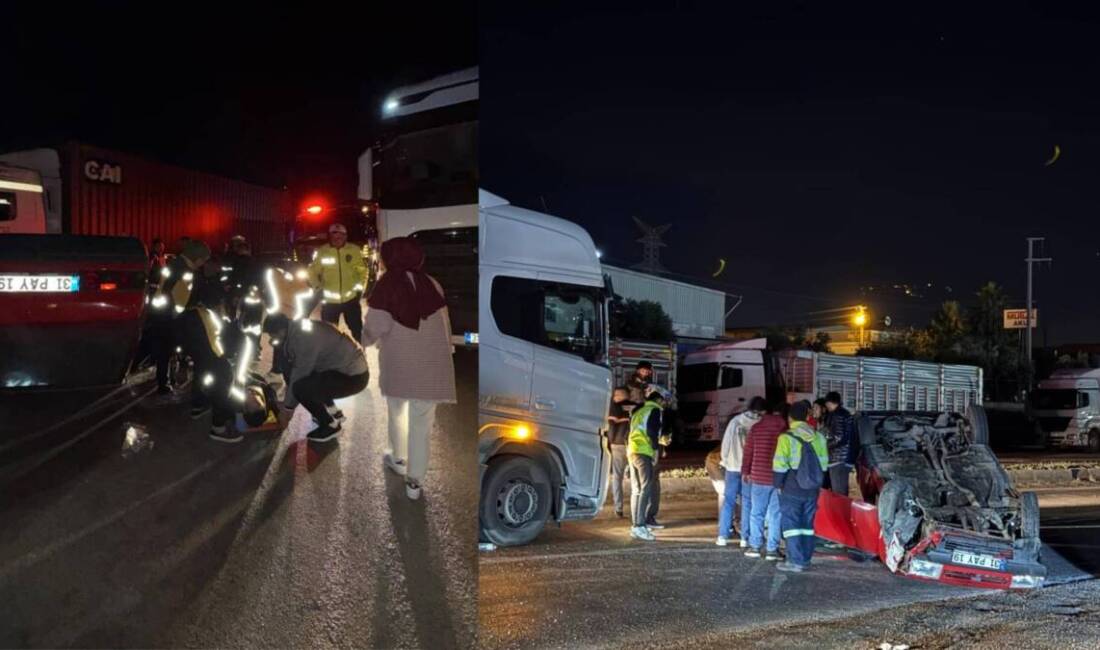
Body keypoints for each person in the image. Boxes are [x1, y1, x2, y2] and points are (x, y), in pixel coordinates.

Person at [362, 236, 456, 501]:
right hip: (431, 364)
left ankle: (398, 457)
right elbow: (445, 322)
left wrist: (363, 341)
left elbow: (375, 326)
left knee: (397, 410)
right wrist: (447, 351)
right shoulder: (432, 283)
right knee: (422, 424)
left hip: (399, 364)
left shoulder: (386, 285)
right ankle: (414, 482)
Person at [264, 315, 370, 443]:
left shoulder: (304, 339)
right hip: (344, 370)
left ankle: (330, 426)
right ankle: (332, 411)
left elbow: (299, 374)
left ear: (281, 330)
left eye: (273, 335)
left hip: (353, 377)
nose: (272, 339)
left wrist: (287, 409)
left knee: (300, 388)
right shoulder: (297, 329)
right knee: (308, 379)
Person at [149, 239, 212, 397]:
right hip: (170, 318)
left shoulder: (175, 265)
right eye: (203, 261)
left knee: (165, 351)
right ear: (197, 259)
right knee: (169, 350)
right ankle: (165, 384)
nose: (203, 264)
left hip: (164, 314)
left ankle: (165, 380)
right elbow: (176, 299)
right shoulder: (183, 271)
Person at [772, 400, 829, 573]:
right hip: (812, 487)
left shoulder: (786, 438)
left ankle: (795, 561)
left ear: (790, 418)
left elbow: (780, 465)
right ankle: (805, 559)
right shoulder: (818, 437)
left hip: (792, 485)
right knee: (807, 524)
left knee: (792, 524)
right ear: (807, 417)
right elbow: (824, 465)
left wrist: (778, 484)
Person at [740, 402, 789, 561]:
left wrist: (745, 471)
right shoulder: (784, 429)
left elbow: (748, 452)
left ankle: (754, 546)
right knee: (775, 514)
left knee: (757, 513)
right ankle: (772, 550)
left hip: (758, 477)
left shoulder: (756, 428)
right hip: (778, 478)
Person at [716, 396, 765, 547]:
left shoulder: (736, 421)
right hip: (750, 469)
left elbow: (726, 444)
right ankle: (745, 537)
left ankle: (723, 535)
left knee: (729, 501)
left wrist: (724, 460)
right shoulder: (759, 423)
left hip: (732, 466)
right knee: (747, 502)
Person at [309, 223, 368, 342]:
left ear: (345, 237)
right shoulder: (322, 251)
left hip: (351, 300)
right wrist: (317, 288)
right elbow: (313, 272)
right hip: (330, 303)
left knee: (357, 330)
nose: (337, 239)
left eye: (341, 236)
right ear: (330, 237)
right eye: (334, 236)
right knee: (329, 334)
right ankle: (332, 358)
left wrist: (359, 289)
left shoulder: (354, 250)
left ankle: (361, 353)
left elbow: (362, 271)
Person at [627, 390, 665, 541]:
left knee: (636, 490)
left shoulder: (639, 411)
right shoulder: (654, 410)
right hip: (643, 451)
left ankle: (636, 524)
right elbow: (651, 432)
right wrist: (655, 449)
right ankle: (640, 526)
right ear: (658, 400)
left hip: (632, 450)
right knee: (645, 488)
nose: (664, 405)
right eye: (663, 401)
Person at [607, 387, 634, 518]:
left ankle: (618, 508)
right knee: (635, 477)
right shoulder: (632, 408)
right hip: (632, 445)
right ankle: (637, 507)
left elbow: (611, 426)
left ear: (618, 396)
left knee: (617, 477)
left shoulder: (615, 407)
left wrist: (609, 442)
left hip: (617, 445)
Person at [824, 391, 857, 497]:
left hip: (839, 458)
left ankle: (841, 512)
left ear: (830, 402)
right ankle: (843, 511)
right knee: (842, 491)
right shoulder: (844, 413)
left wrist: (825, 445)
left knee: (839, 493)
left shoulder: (837, 415)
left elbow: (839, 437)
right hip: (845, 457)